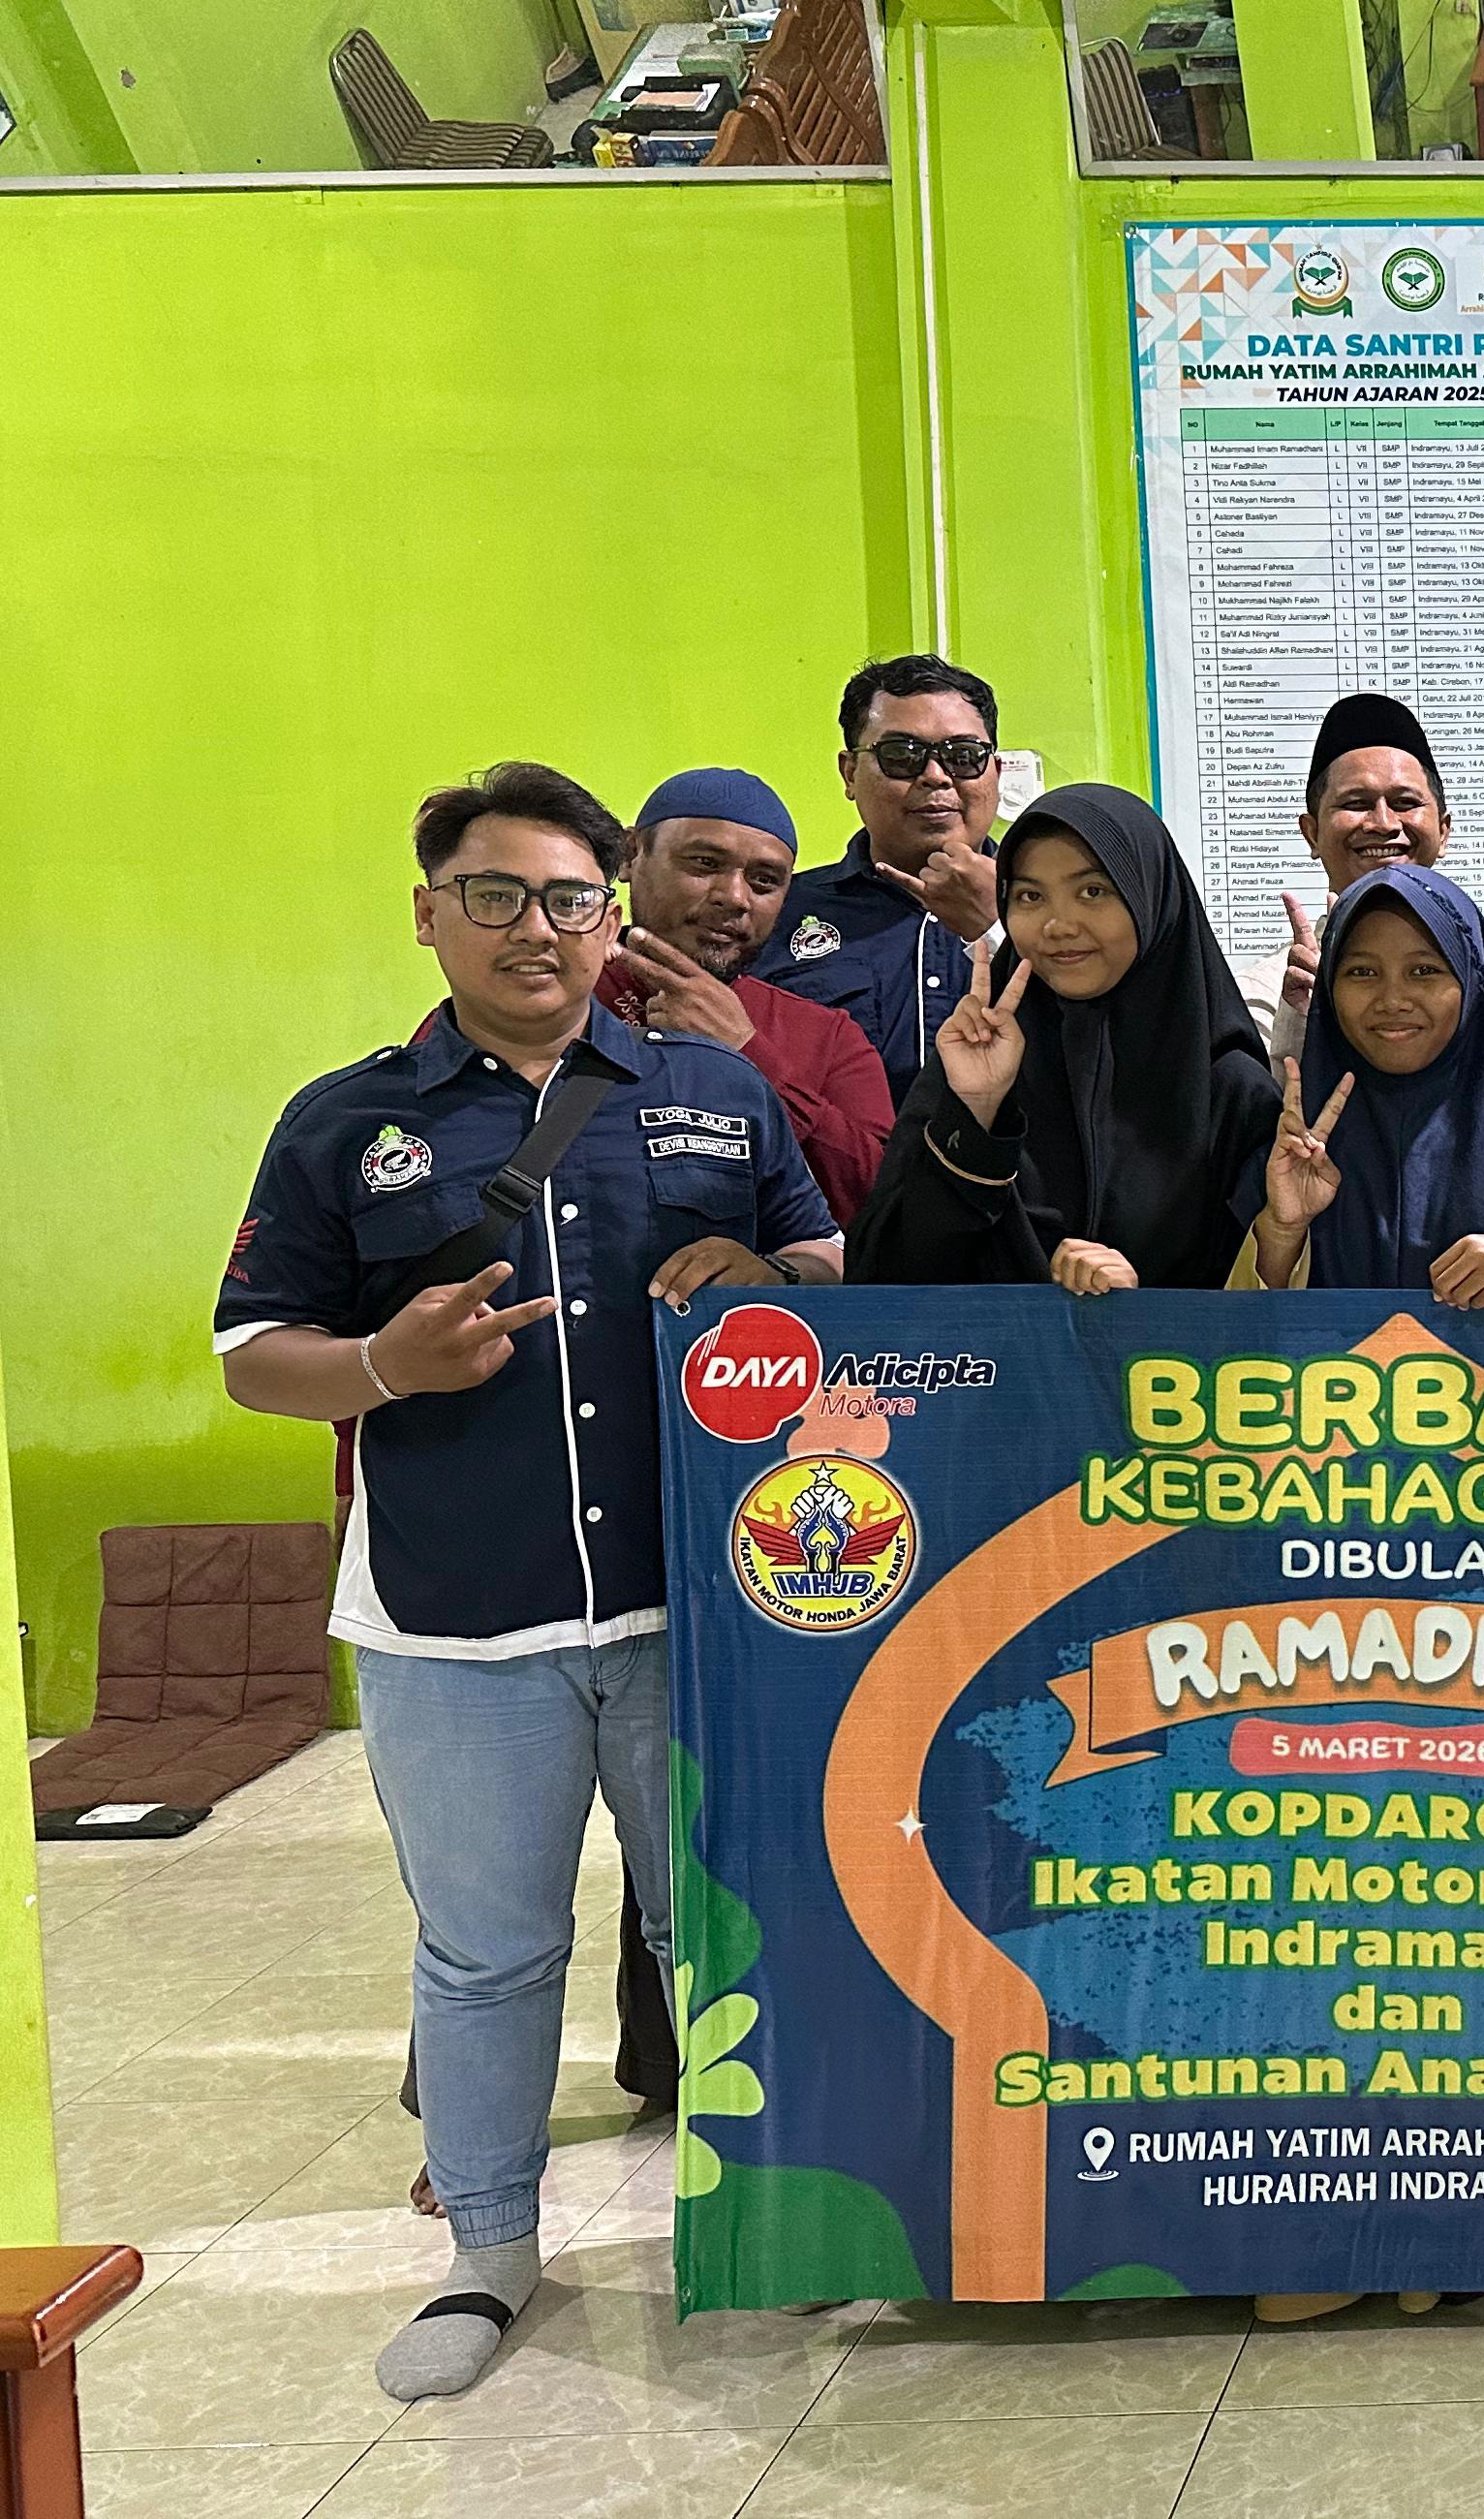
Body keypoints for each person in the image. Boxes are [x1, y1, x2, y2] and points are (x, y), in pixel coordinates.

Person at [215, 763, 839, 2399]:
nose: (536, 930)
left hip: (695, 1609)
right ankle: (488, 2251)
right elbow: (254, 1353)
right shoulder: (346, 1123)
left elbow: (826, 1256)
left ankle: (769, 2222)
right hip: (453, 1619)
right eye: (494, 896)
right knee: (487, 1950)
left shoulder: (711, 1090)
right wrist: (383, 1364)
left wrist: (771, 1268)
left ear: (608, 916)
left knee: (718, 1930)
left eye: (570, 898)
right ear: (430, 914)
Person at [852, 787, 1293, 1295]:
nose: (1058, 926)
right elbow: (883, 1281)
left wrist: (1149, 1305)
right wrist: (975, 1113)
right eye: (1030, 896)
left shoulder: (1231, 1090)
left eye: (1093, 892)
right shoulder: (978, 1058)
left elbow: (1260, 1305)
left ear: (1151, 898)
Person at [1269, 862, 1484, 1301]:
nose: (1393, 1000)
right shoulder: (1291, 1154)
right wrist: (1282, 1230)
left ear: (1473, 984)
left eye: (1424, 971)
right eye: (1362, 972)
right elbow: (1226, 1333)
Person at [603, 768, 895, 1225]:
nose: (735, 897)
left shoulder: (828, 1037)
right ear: (629, 854)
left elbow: (883, 1205)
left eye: (764, 881)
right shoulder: (556, 997)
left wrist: (747, 1052)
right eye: (704, 864)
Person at [746, 653, 1005, 1101]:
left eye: (963, 756)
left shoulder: (1060, 911)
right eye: (902, 755)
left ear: (995, 773)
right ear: (850, 773)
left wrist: (996, 930)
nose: (936, 777)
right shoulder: (775, 912)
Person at [1267, 693, 1453, 1060]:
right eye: (1356, 804)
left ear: (1443, 832)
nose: (1383, 824)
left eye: (1405, 803)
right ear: (1312, 834)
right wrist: (1307, 1023)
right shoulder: (1267, 994)